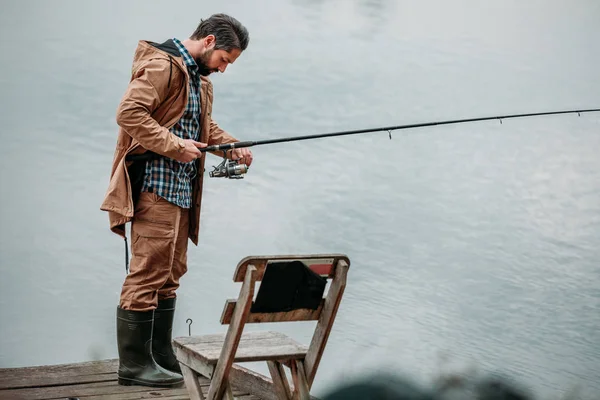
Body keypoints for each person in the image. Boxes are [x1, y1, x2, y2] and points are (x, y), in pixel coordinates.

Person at [100, 13, 253, 387]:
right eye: (224, 61)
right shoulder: (161, 65)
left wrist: (230, 147)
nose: (223, 69)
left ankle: (160, 353)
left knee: (171, 275)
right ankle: (133, 365)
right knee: (147, 273)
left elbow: (200, 127)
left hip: (183, 189)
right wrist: (174, 145)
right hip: (155, 186)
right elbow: (128, 113)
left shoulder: (200, 80)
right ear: (210, 43)